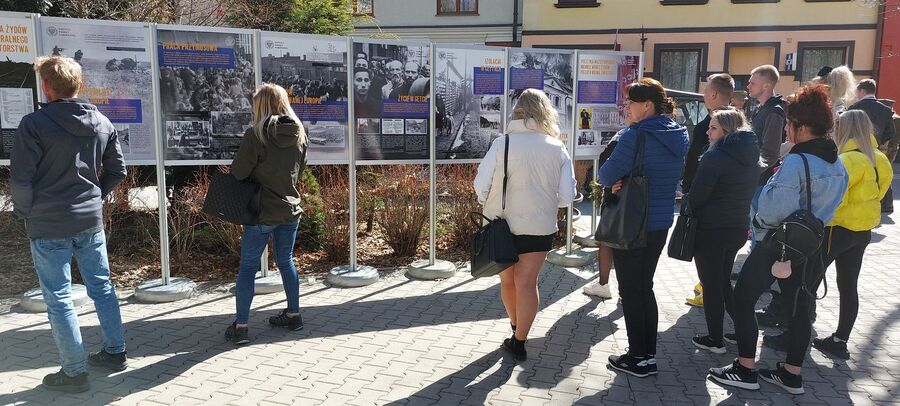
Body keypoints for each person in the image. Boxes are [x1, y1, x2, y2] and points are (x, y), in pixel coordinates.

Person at [709, 84, 848, 395]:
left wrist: (757, 222)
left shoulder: (797, 162)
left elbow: (773, 211)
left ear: (800, 126)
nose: (786, 128)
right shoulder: (836, 163)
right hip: (809, 245)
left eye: (789, 123)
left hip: (777, 243)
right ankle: (791, 374)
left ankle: (745, 368)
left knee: (744, 298)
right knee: (799, 309)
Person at [10, 56, 128, 392]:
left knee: (59, 298)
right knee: (102, 286)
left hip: (48, 223)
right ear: (77, 85)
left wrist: (25, 211)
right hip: (89, 221)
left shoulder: (33, 124)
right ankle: (115, 351)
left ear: (46, 86)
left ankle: (74, 373)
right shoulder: (102, 121)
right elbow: (118, 170)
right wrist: (94, 197)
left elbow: (21, 180)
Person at [474, 88, 576, 362]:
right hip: (539, 227)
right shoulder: (557, 147)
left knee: (507, 280)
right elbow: (567, 195)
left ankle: (515, 327)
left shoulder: (502, 143)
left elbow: (480, 184)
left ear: (517, 112)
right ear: (546, 112)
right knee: (528, 283)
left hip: (502, 225)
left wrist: (490, 202)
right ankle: (520, 341)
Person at [600, 78, 689, 377]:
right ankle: (647, 354)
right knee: (645, 287)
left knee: (630, 290)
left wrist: (615, 181)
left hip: (632, 222)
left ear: (647, 105)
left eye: (630, 102)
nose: (626, 107)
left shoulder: (634, 136)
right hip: (661, 222)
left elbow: (606, 174)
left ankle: (638, 357)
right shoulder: (680, 135)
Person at [226, 83, 308, 345]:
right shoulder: (300, 133)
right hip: (290, 210)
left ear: (261, 104)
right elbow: (300, 171)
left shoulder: (256, 134)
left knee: (248, 268)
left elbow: (238, 172)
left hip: (261, 212)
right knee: (286, 262)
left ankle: (241, 327)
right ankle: (294, 315)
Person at [810, 111, 892, 359]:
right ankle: (840, 340)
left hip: (836, 229)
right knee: (848, 287)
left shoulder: (845, 160)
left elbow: (835, 200)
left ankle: (795, 334)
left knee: (808, 282)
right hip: (862, 231)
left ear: (842, 129)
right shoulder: (880, 158)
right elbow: (880, 193)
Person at [687, 108, 760, 354]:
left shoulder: (715, 157)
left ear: (727, 131)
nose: (708, 132)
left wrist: (686, 200)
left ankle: (715, 339)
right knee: (723, 283)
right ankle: (740, 331)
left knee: (712, 285)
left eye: (714, 127)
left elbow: (698, 196)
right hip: (737, 228)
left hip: (712, 230)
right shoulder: (750, 156)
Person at [682, 74, 735, 308]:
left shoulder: (712, 124)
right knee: (722, 260)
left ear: (713, 94)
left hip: (707, 200)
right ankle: (711, 289)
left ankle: (710, 293)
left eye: (705, 92)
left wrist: (688, 190)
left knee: (708, 256)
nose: (704, 96)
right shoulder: (736, 121)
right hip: (730, 206)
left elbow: (698, 160)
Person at [746, 64, 788, 326]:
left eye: (752, 81)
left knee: (760, 234)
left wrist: (751, 172)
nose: (748, 85)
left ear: (766, 85)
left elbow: (770, 152)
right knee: (755, 233)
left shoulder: (774, 111)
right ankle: (757, 280)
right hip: (757, 179)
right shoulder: (763, 109)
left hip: (761, 181)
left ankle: (759, 282)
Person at [583, 126, 628, 300]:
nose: (627, 108)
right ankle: (626, 290)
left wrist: (612, 182)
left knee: (608, 239)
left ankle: (604, 284)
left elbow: (606, 169)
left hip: (619, 196)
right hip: (646, 201)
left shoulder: (627, 136)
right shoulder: (668, 134)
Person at [847, 79, 896, 213]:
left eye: (858, 91)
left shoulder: (854, 108)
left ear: (862, 91)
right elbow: (891, 133)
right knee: (879, 175)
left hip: (857, 150)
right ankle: (883, 204)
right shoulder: (886, 110)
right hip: (877, 149)